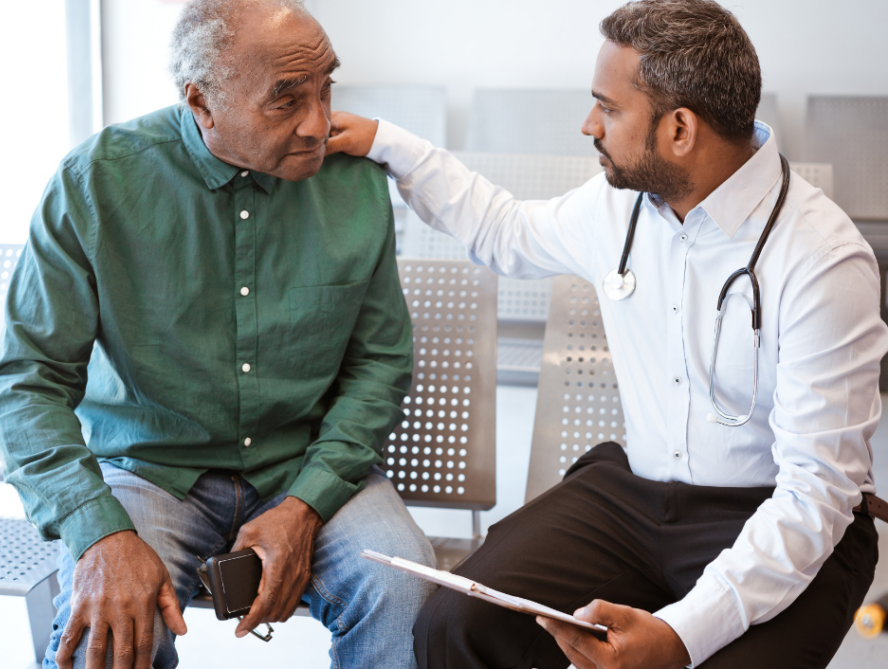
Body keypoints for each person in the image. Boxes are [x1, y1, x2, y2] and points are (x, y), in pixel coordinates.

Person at [328, 1, 885, 667]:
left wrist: (680, 635)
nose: (588, 124)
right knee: (455, 623)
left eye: (608, 108)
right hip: (634, 498)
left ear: (680, 128)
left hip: (781, 515)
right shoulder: (617, 205)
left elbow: (815, 494)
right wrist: (385, 141)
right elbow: (504, 228)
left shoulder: (822, 258)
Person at [0, 1, 437, 668]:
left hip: (306, 463)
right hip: (150, 467)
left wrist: (307, 501)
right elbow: (25, 378)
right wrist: (97, 531)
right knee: (106, 635)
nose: (319, 121)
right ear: (201, 101)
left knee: (409, 598)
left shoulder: (356, 184)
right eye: (285, 100)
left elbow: (379, 364)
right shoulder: (97, 182)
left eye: (326, 87)